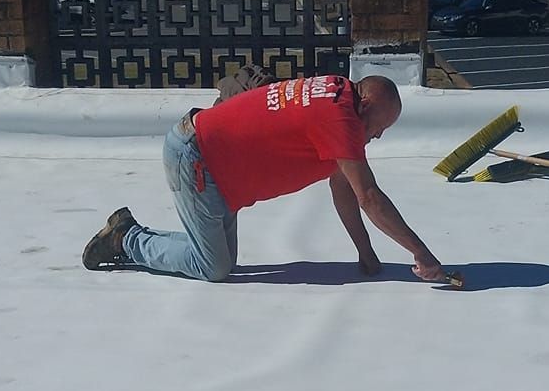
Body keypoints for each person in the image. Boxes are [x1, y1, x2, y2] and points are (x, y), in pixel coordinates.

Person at [81, 71, 446, 285]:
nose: (377, 136)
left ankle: (129, 232)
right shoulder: (341, 121)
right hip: (197, 162)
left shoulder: (336, 93)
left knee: (218, 257)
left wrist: (367, 256)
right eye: (379, 126)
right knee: (213, 267)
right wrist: (421, 253)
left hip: (213, 167)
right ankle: (126, 240)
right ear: (364, 105)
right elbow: (368, 196)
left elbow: (345, 189)